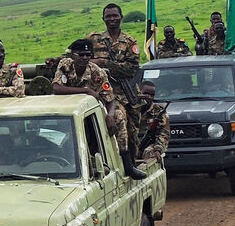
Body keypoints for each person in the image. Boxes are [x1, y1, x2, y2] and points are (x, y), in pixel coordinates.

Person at [52, 38, 145, 179]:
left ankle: (127, 164)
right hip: (69, 108)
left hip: (91, 109)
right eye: (80, 54)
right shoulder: (65, 65)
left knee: (119, 116)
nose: (84, 58)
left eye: (87, 55)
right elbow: (57, 88)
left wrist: (110, 115)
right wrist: (86, 91)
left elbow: (110, 98)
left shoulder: (98, 73)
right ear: (72, 55)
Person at [135, 80, 169, 166]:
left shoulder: (158, 111)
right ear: (139, 92)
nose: (149, 97)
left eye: (152, 95)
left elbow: (163, 134)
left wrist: (158, 149)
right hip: (132, 145)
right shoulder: (130, 109)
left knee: (149, 153)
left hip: (148, 145)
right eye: (146, 94)